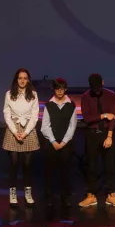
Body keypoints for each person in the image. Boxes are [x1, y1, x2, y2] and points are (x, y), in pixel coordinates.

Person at [79, 73, 115, 207]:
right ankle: (90, 196)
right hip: (92, 135)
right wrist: (103, 115)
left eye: (98, 87)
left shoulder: (111, 95)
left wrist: (109, 136)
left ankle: (111, 195)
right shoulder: (86, 96)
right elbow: (87, 118)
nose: (97, 90)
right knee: (91, 166)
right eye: (94, 88)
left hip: (106, 134)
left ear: (103, 83)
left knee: (109, 166)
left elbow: (113, 117)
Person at [2, 68, 40, 207]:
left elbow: (35, 115)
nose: (22, 80)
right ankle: (12, 193)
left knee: (27, 165)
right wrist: (14, 131)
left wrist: (25, 132)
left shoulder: (33, 95)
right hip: (14, 128)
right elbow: (6, 113)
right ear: (16, 80)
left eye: (25, 78)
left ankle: (27, 192)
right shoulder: (9, 94)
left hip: (28, 130)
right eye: (20, 78)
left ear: (28, 80)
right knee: (13, 163)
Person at [40, 77, 77, 207]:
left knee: (65, 172)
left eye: (62, 89)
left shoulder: (71, 104)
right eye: (57, 89)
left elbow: (72, 126)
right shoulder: (49, 105)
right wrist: (53, 141)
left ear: (65, 89)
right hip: (51, 143)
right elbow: (45, 126)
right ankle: (49, 197)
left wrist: (64, 142)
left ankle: (65, 197)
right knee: (49, 172)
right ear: (54, 89)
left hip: (65, 144)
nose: (60, 91)